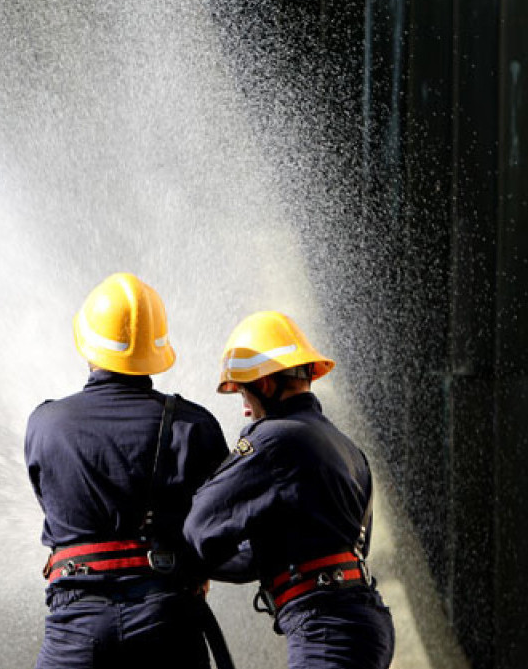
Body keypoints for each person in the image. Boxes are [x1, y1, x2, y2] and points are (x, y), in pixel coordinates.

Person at [25, 272, 230, 669]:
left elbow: (51, 503)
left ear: (87, 343)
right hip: (168, 619)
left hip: (76, 624)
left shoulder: (44, 424)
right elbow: (218, 525)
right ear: (158, 347)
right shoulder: (194, 425)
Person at [183, 310, 395, 669]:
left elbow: (199, 527)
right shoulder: (345, 448)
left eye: (243, 393)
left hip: (325, 627)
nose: (246, 410)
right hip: (362, 619)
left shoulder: (274, 439)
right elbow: (285, 554)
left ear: (265, 384)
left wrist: (190, 566)